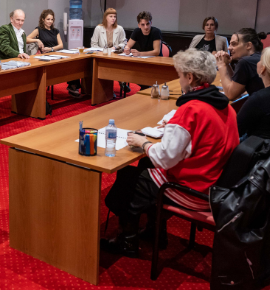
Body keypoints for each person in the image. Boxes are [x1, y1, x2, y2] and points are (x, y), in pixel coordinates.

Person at [102, 49, 239, 257]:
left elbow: (165, 158)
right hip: (218, 184)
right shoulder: (224, 105)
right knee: (145, 165)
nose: (179, 79)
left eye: (180, 75)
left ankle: (126, 241)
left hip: (196, 191)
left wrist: (144, 143)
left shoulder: (191, 109)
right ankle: (154, 231)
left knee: (128, 178)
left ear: (190, 77)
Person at [27, 9, 82, 97]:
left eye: (52, 19)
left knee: (72, 64)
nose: (50, 21)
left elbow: (61, 45)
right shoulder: (38, 30)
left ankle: (72, 86)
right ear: (43, 19)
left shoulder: (55, 31)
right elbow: (26, 39)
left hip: (55, 54)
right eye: (48, 19)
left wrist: (51, 49)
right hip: (45, 57)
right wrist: (37, 40)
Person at [215, 28, 266, 100]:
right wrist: (227, 65)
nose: (229, 48)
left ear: (248, 45)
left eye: (234, 44)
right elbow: (236, 88)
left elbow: (230, 95)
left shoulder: (246, 62)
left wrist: (221, 65)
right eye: (230, 44)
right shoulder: (260, 57)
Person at [91, 8, 129, 95]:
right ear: (106, 17)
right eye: (111, 16)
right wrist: (103, 50)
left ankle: (120, 82)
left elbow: (124, 43)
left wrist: (116, 47)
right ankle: (114, 87)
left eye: (114, 16)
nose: (113, 18)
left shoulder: (119, 29)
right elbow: (93, 44)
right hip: (102, 54)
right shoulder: (98, 28)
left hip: (115, 54)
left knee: (116, 64)